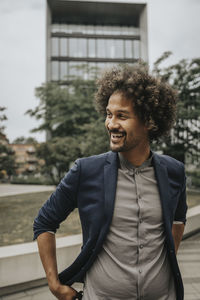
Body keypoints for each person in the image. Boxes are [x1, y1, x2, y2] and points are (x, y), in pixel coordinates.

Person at [33, 65, 187, 300]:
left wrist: (166, 259)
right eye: (109, 114)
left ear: (149, 122)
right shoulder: (86, 171)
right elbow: (44, 222)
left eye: (121, 116)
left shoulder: (174, 172)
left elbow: (178, 218)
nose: (111, 124)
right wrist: (55, 285)